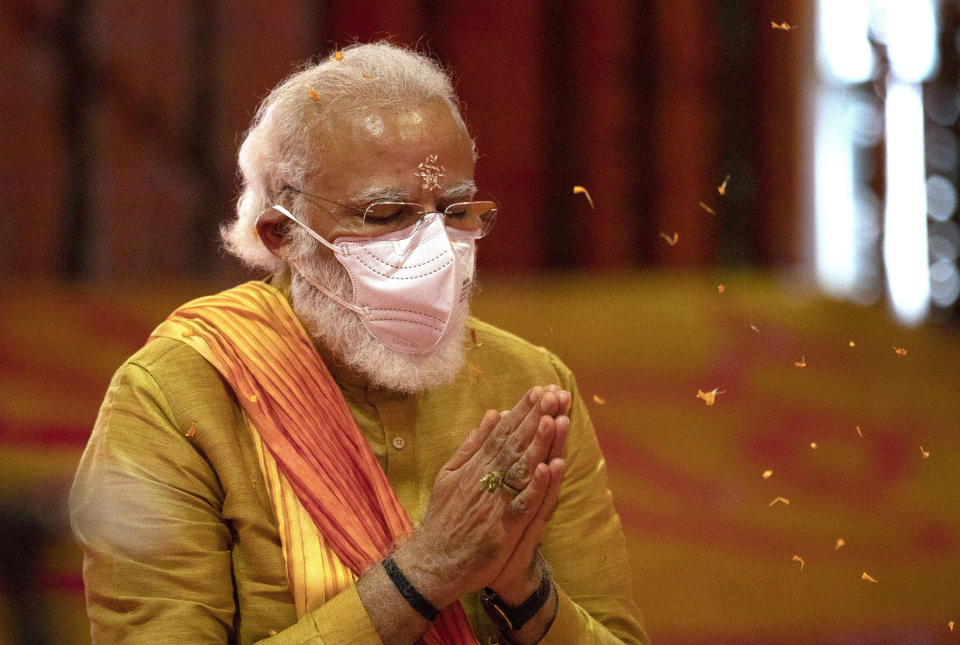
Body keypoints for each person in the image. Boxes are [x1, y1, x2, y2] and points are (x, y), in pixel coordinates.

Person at [70, 42, 649, 645]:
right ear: (281, 236)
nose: (432, 247)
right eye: (385, 214)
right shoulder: (176, 394)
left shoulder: (528, 382)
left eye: (454, 209)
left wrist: (527, 593)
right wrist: (420, 576)